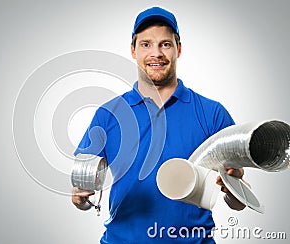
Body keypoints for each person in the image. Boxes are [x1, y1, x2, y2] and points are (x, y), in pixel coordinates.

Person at [71, 6, 246, 243]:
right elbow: (82, 187)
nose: (156, 53)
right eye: (146, 44)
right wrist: (81, 198)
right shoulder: (108, 114)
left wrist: (233, 187)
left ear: (178, 49)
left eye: (165, 44)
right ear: (133, 51)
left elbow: (238, 204)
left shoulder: (212, 114)